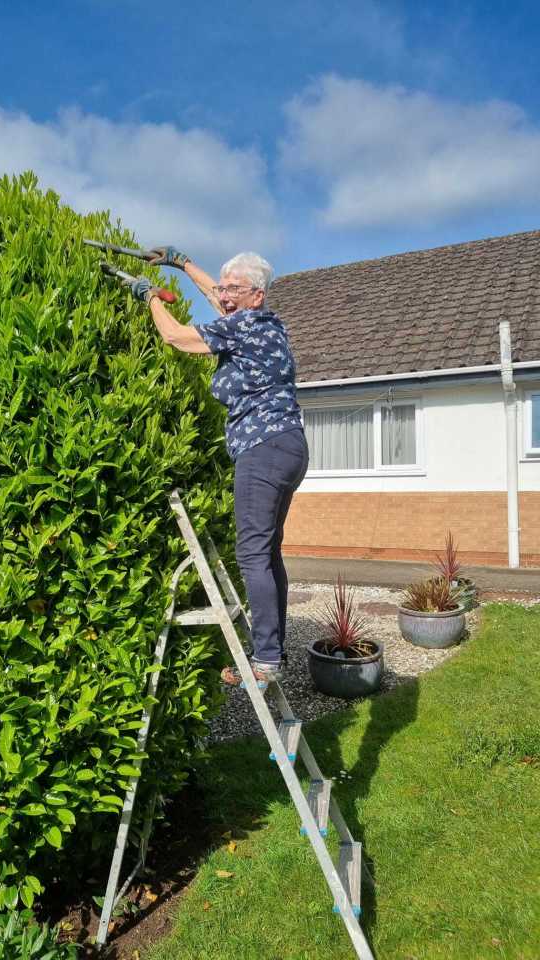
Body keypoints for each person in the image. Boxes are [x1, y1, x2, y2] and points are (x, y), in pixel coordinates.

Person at [129, 246, 309, 689]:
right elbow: (219, 297)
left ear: (257, 295)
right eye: (224, 286)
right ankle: (273, 650)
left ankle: (265, 660)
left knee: (251, 554)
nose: (224, 294)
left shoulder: (244, 326)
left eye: (235, 289)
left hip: (262, 447)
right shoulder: (264, 324)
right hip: (289, 445)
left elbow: (176, 337)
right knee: (267, 553)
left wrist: (150, 296)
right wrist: (181, 261)